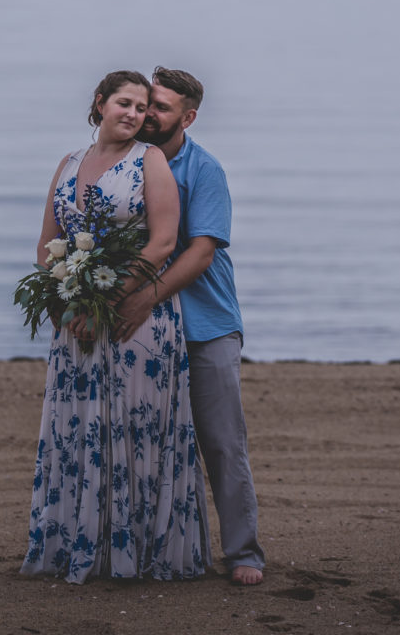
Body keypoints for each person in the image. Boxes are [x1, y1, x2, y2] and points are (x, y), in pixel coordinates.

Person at [19, 70, 210, 583]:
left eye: (143, 107)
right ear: (100, 103)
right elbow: (47, 246)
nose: (134, 114)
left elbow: (163, 244)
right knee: (78, 428)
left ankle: (137, 552)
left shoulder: (150, 162)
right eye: (124, 102)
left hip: (133, 319)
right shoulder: (68, 163)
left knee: (135, 430)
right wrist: (64, 303)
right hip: (75, 323)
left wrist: (102, 301)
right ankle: (77, 546)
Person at [114, 66, 265, 586]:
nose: (148, 114)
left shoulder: (205, 170)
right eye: (145, 103)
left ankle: (244, 551)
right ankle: (148, 548)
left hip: (206, 324)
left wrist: (142, 298)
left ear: (188, 116)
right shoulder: (130, 162)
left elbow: (201, 253)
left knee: (222, 443)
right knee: (143, 443)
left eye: (160, 107)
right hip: (147, 329)